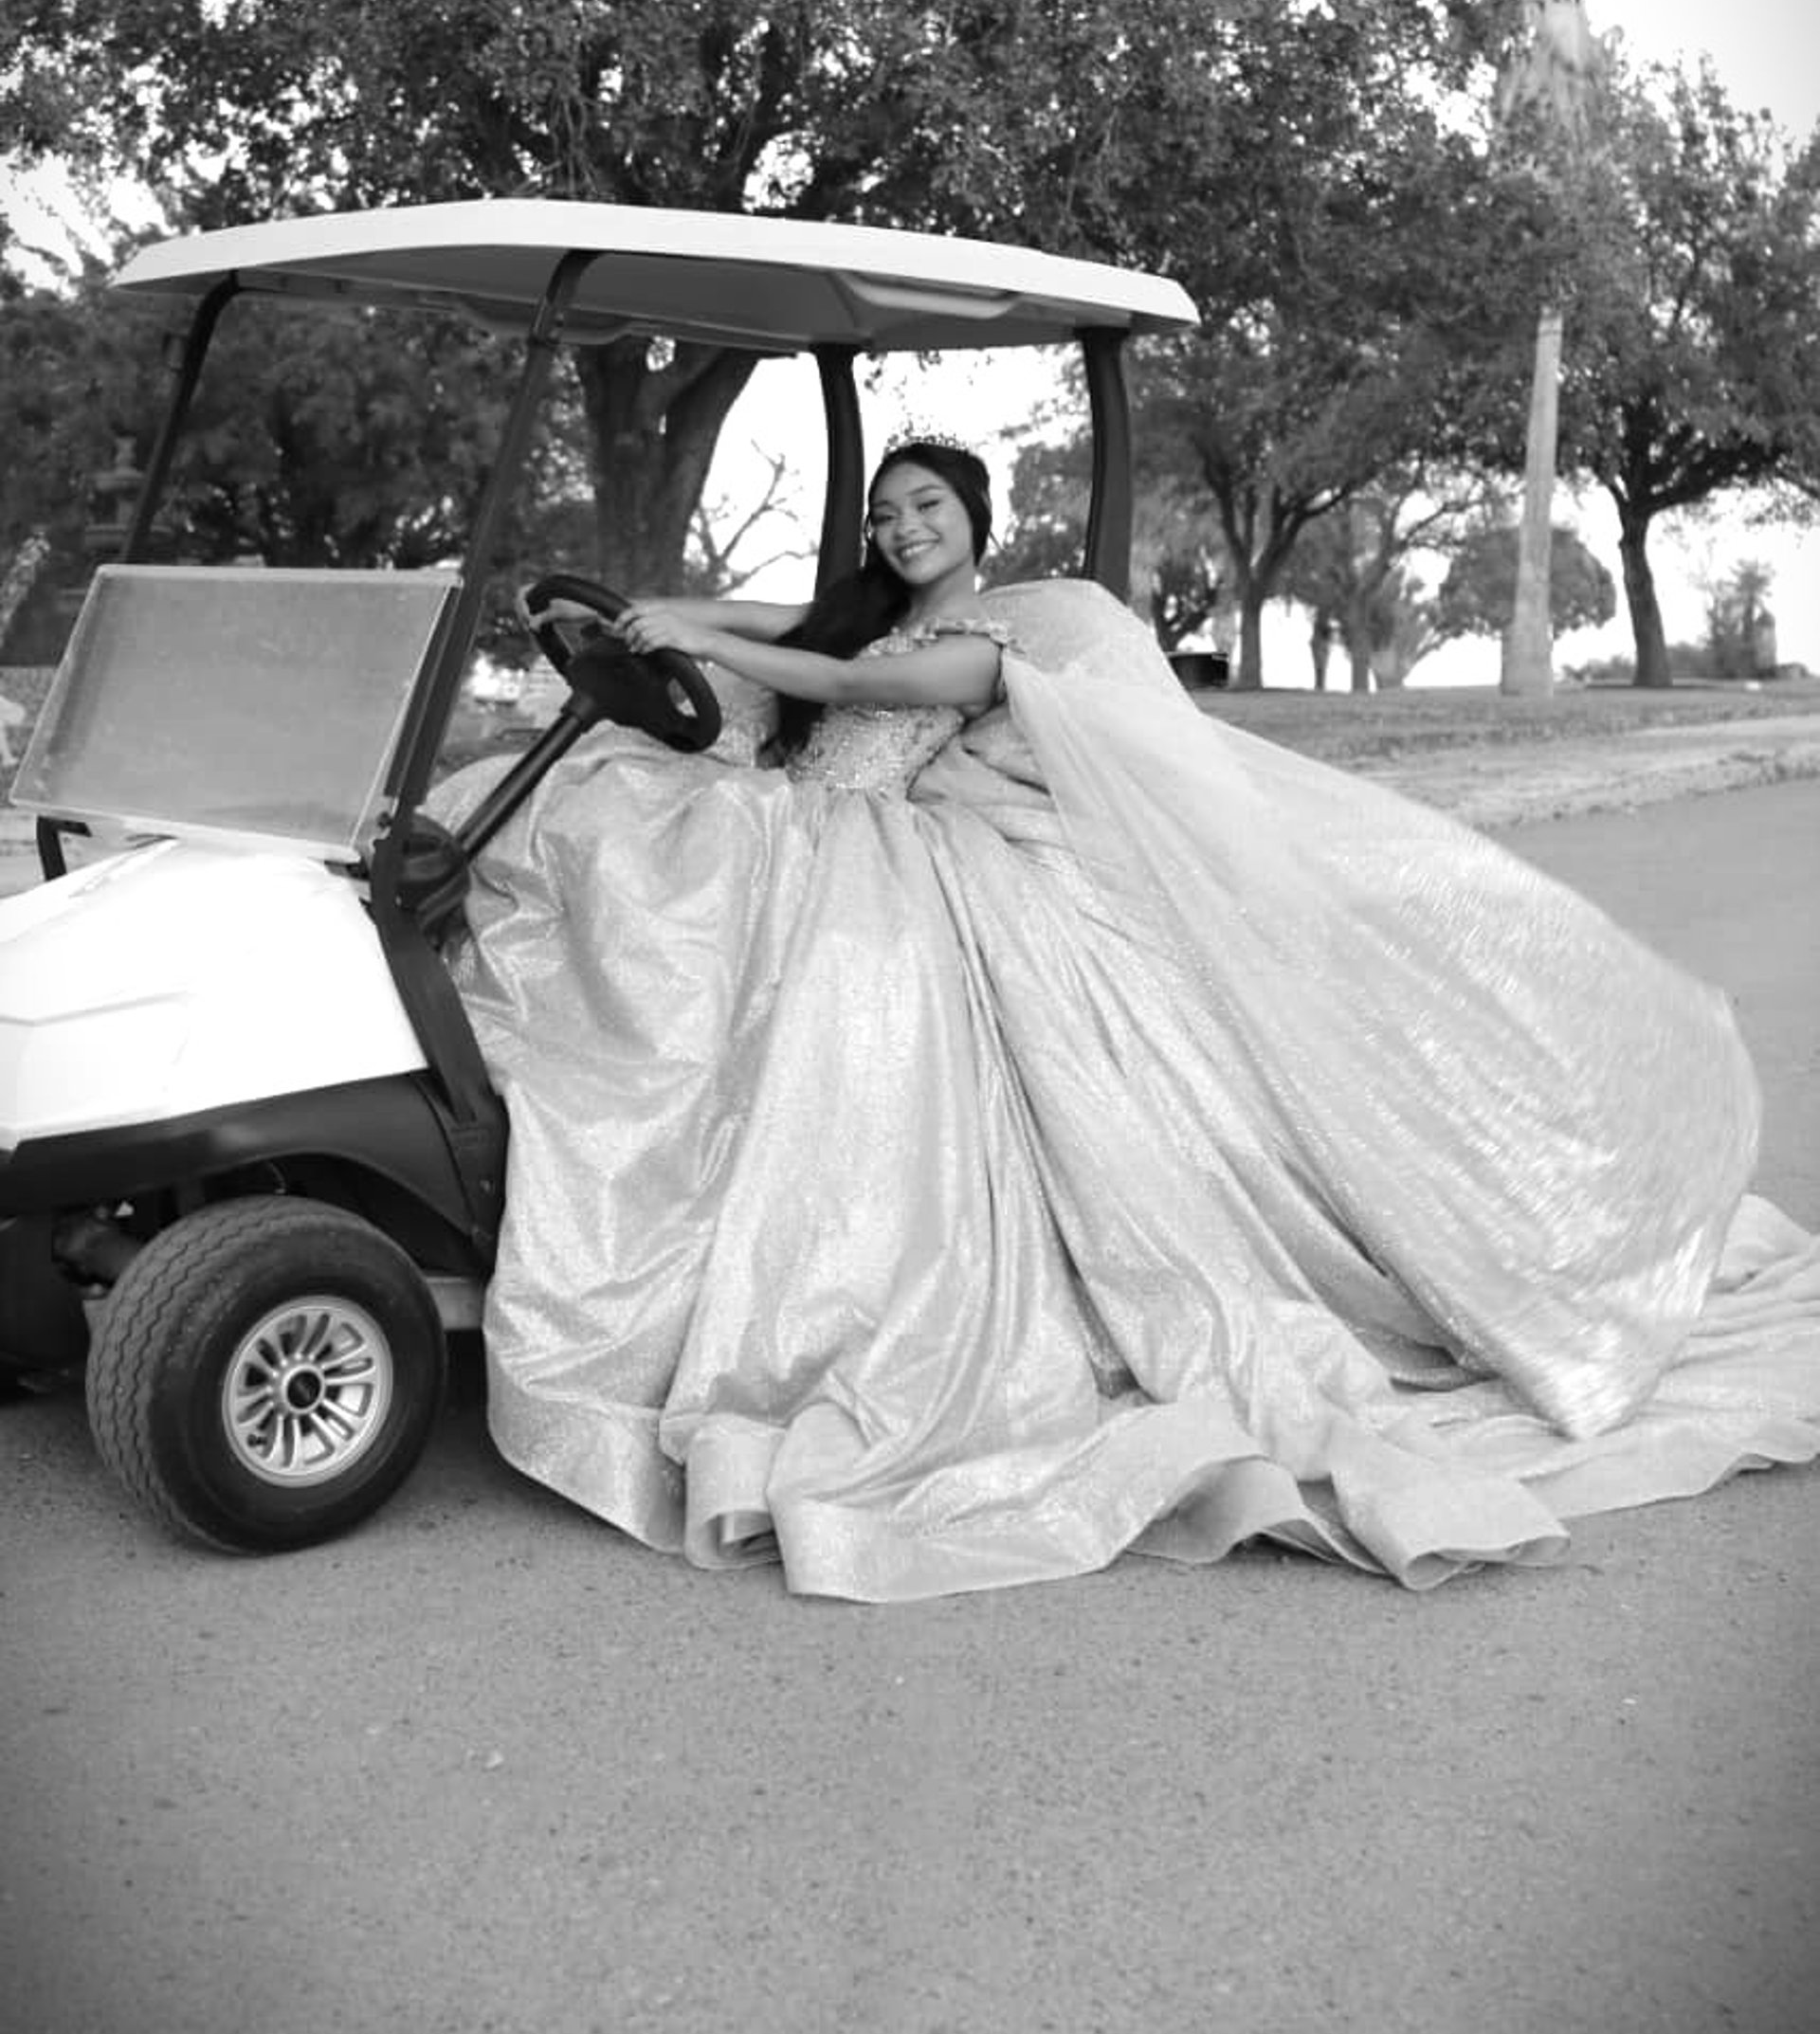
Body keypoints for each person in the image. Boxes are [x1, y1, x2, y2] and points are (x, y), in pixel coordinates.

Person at [434, 442, 1820, 1602]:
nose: (905, 528)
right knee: (598, 837)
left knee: (733, 957)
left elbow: (847, 691)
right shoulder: (866, 612)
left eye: (928, 507)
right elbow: (779, 622)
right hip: (804, 828)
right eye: (887, 512)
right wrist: (655, 615)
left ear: (977, 520)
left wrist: (701, 638)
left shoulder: (989, 646)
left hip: (868, 852)